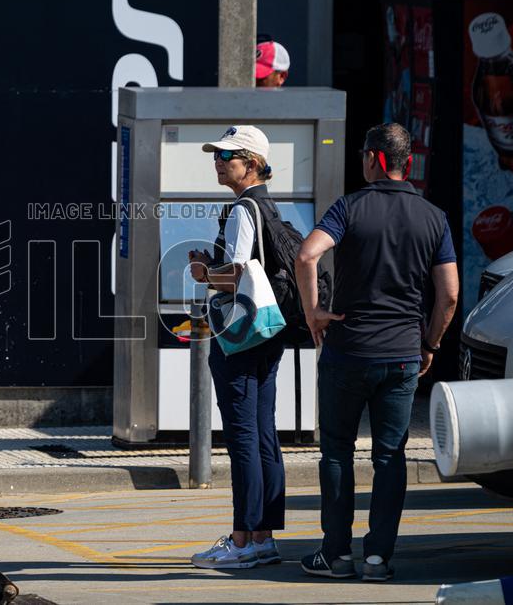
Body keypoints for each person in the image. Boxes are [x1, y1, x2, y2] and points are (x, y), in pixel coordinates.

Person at [295, 122, 458, 581]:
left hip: (348, 350)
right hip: (403, 353)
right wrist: (431, 344)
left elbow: (307, 256)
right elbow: (448, 295)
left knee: (336, 453)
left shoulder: (349, 207)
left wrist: (314, 312)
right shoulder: (434, 217)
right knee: (390, 455)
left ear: (373, 158)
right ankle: (377, 558)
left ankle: (335, 554)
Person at [187, 125, 287, 570]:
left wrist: (203, 273)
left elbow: (238, 274)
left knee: (244, 437)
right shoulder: (268, 205)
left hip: (241, 337)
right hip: (268, 333)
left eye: (227, 155)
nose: (218, 161)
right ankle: (263, 537)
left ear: (251, 163)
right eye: (217, 154)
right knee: (263, 433)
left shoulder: (244, 209)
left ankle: (243, 539)